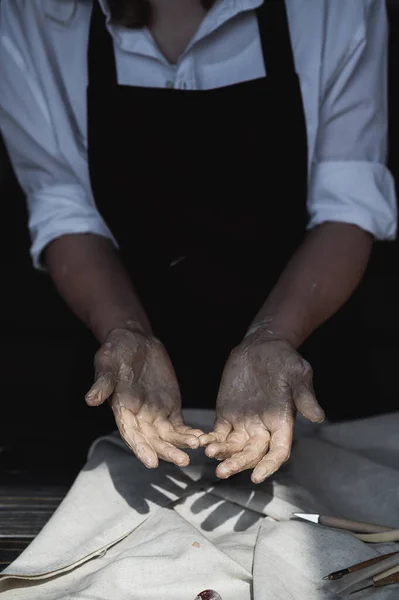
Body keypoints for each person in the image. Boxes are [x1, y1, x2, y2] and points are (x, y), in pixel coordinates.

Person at [0, 0, 396, 485]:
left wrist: (275, 336)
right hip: (128, 382)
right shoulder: (33, 13)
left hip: (299, 359)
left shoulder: (333, 8)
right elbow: (64, 210)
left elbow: (348, 208)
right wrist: (125, 332)